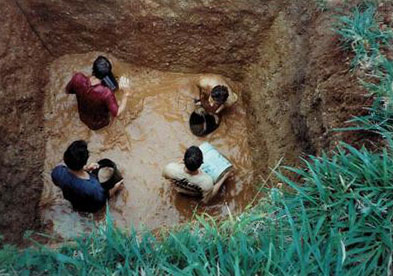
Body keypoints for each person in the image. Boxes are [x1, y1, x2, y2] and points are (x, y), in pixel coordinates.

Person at [51, 140, 123, 213]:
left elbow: (59, 181)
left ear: (65, 158)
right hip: (89, 207)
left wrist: (86, 169)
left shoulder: (58, 171)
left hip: (74, 202)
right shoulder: (93, 187)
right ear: (85, 161)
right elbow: (103, 199)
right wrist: (116, 187)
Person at [65, 56, 129, 130]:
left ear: (93, 68)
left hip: (82, 117)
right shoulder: (106, 93)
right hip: (100, 124)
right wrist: (126, 94)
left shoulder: (78, 78)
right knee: (118, 102)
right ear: (107, 76)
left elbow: (67, 91)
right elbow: (117, 113)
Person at [162, 146, 231, 203]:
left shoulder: (170, 168)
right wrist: (224, 177)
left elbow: (166, 178)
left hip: (178, 189)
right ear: (202, 163)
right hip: (194, 194)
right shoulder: (207, 181)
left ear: (183, 159)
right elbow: (207, 199)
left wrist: (179, 163)